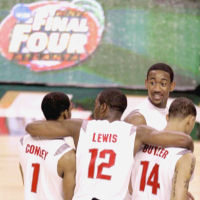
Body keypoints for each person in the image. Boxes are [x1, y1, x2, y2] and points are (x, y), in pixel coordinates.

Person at [25, 89, 193, 200]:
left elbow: (33, 128)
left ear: (103, 107)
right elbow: (182, 140)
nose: (94, 108)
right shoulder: (136, 132)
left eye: (96, 104)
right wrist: (189, 146)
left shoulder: (81, 126)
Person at [131, 97, 196, 200]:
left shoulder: (141, 144)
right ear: (191, 121)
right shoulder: (184, 156)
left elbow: (130, 188)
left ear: (167, 117)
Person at [18, 92, 76, 200]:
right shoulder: (67, 155)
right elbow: (70, 197)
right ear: (65, 113)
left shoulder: (23, 142)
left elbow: (26, 180)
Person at [124, 62, 175, 129]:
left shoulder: (172, 114)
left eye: (163, 84)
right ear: (146, 83)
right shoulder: (137, 118)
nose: (157, 89)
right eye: (152, 83)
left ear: (172, 86)